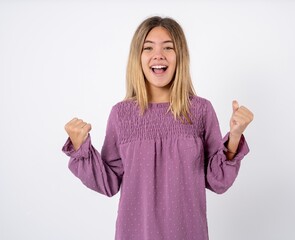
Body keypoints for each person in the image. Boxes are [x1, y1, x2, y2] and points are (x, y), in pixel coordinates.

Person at [62, 16, 254, 240]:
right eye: (148, 47)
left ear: (180, 56)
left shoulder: (201, 110)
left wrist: (235, 136)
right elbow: (109, 182)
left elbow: (217, 181)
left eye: (168, 47)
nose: (158, 55)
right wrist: (80, 148)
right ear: (138, 57)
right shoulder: (121, 114)